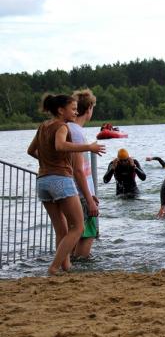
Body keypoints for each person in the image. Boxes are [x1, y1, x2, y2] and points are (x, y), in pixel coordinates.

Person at [26, 94, 105, 275]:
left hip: (43, 181)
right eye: (73, 109)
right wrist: (89, 147)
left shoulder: (43, 126)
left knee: (61, 230)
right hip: (61, 180)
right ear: (61, 110)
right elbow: (60, 146)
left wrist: (47, 162)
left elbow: (30, 150)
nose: (76, 112)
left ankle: (66, 267)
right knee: (78, 227)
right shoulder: (62, 126)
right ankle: (54, 267)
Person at [68, 89, 100, 258]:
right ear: (88, 109)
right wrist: (89, 199)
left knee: (75, 233)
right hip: (80, 192)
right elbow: (79, 170)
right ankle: (81, 269)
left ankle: (71, 266)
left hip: (72, 191)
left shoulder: (67, 129)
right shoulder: (77, 133)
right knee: (88, 233)